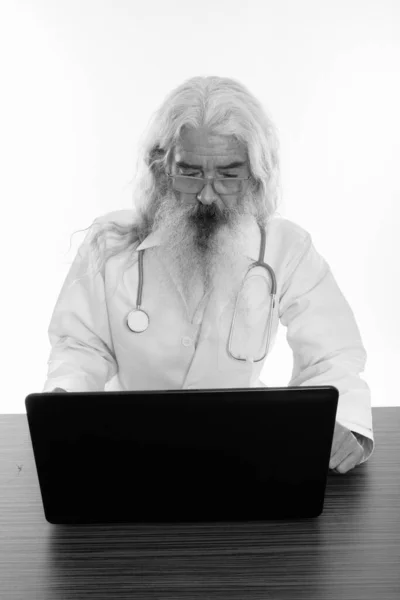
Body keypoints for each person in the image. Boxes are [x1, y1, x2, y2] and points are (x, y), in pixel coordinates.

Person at [44, 75, 374, 474]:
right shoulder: (108, 243)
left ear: (256, 174)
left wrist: (343, 422)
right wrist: (62, 406)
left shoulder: (287, 247)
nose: (207, 194)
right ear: (161, 166)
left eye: (229, 174)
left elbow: (333, 353)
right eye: (190, 172)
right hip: (128, 448)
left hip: (245, 447)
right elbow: (80, 347)